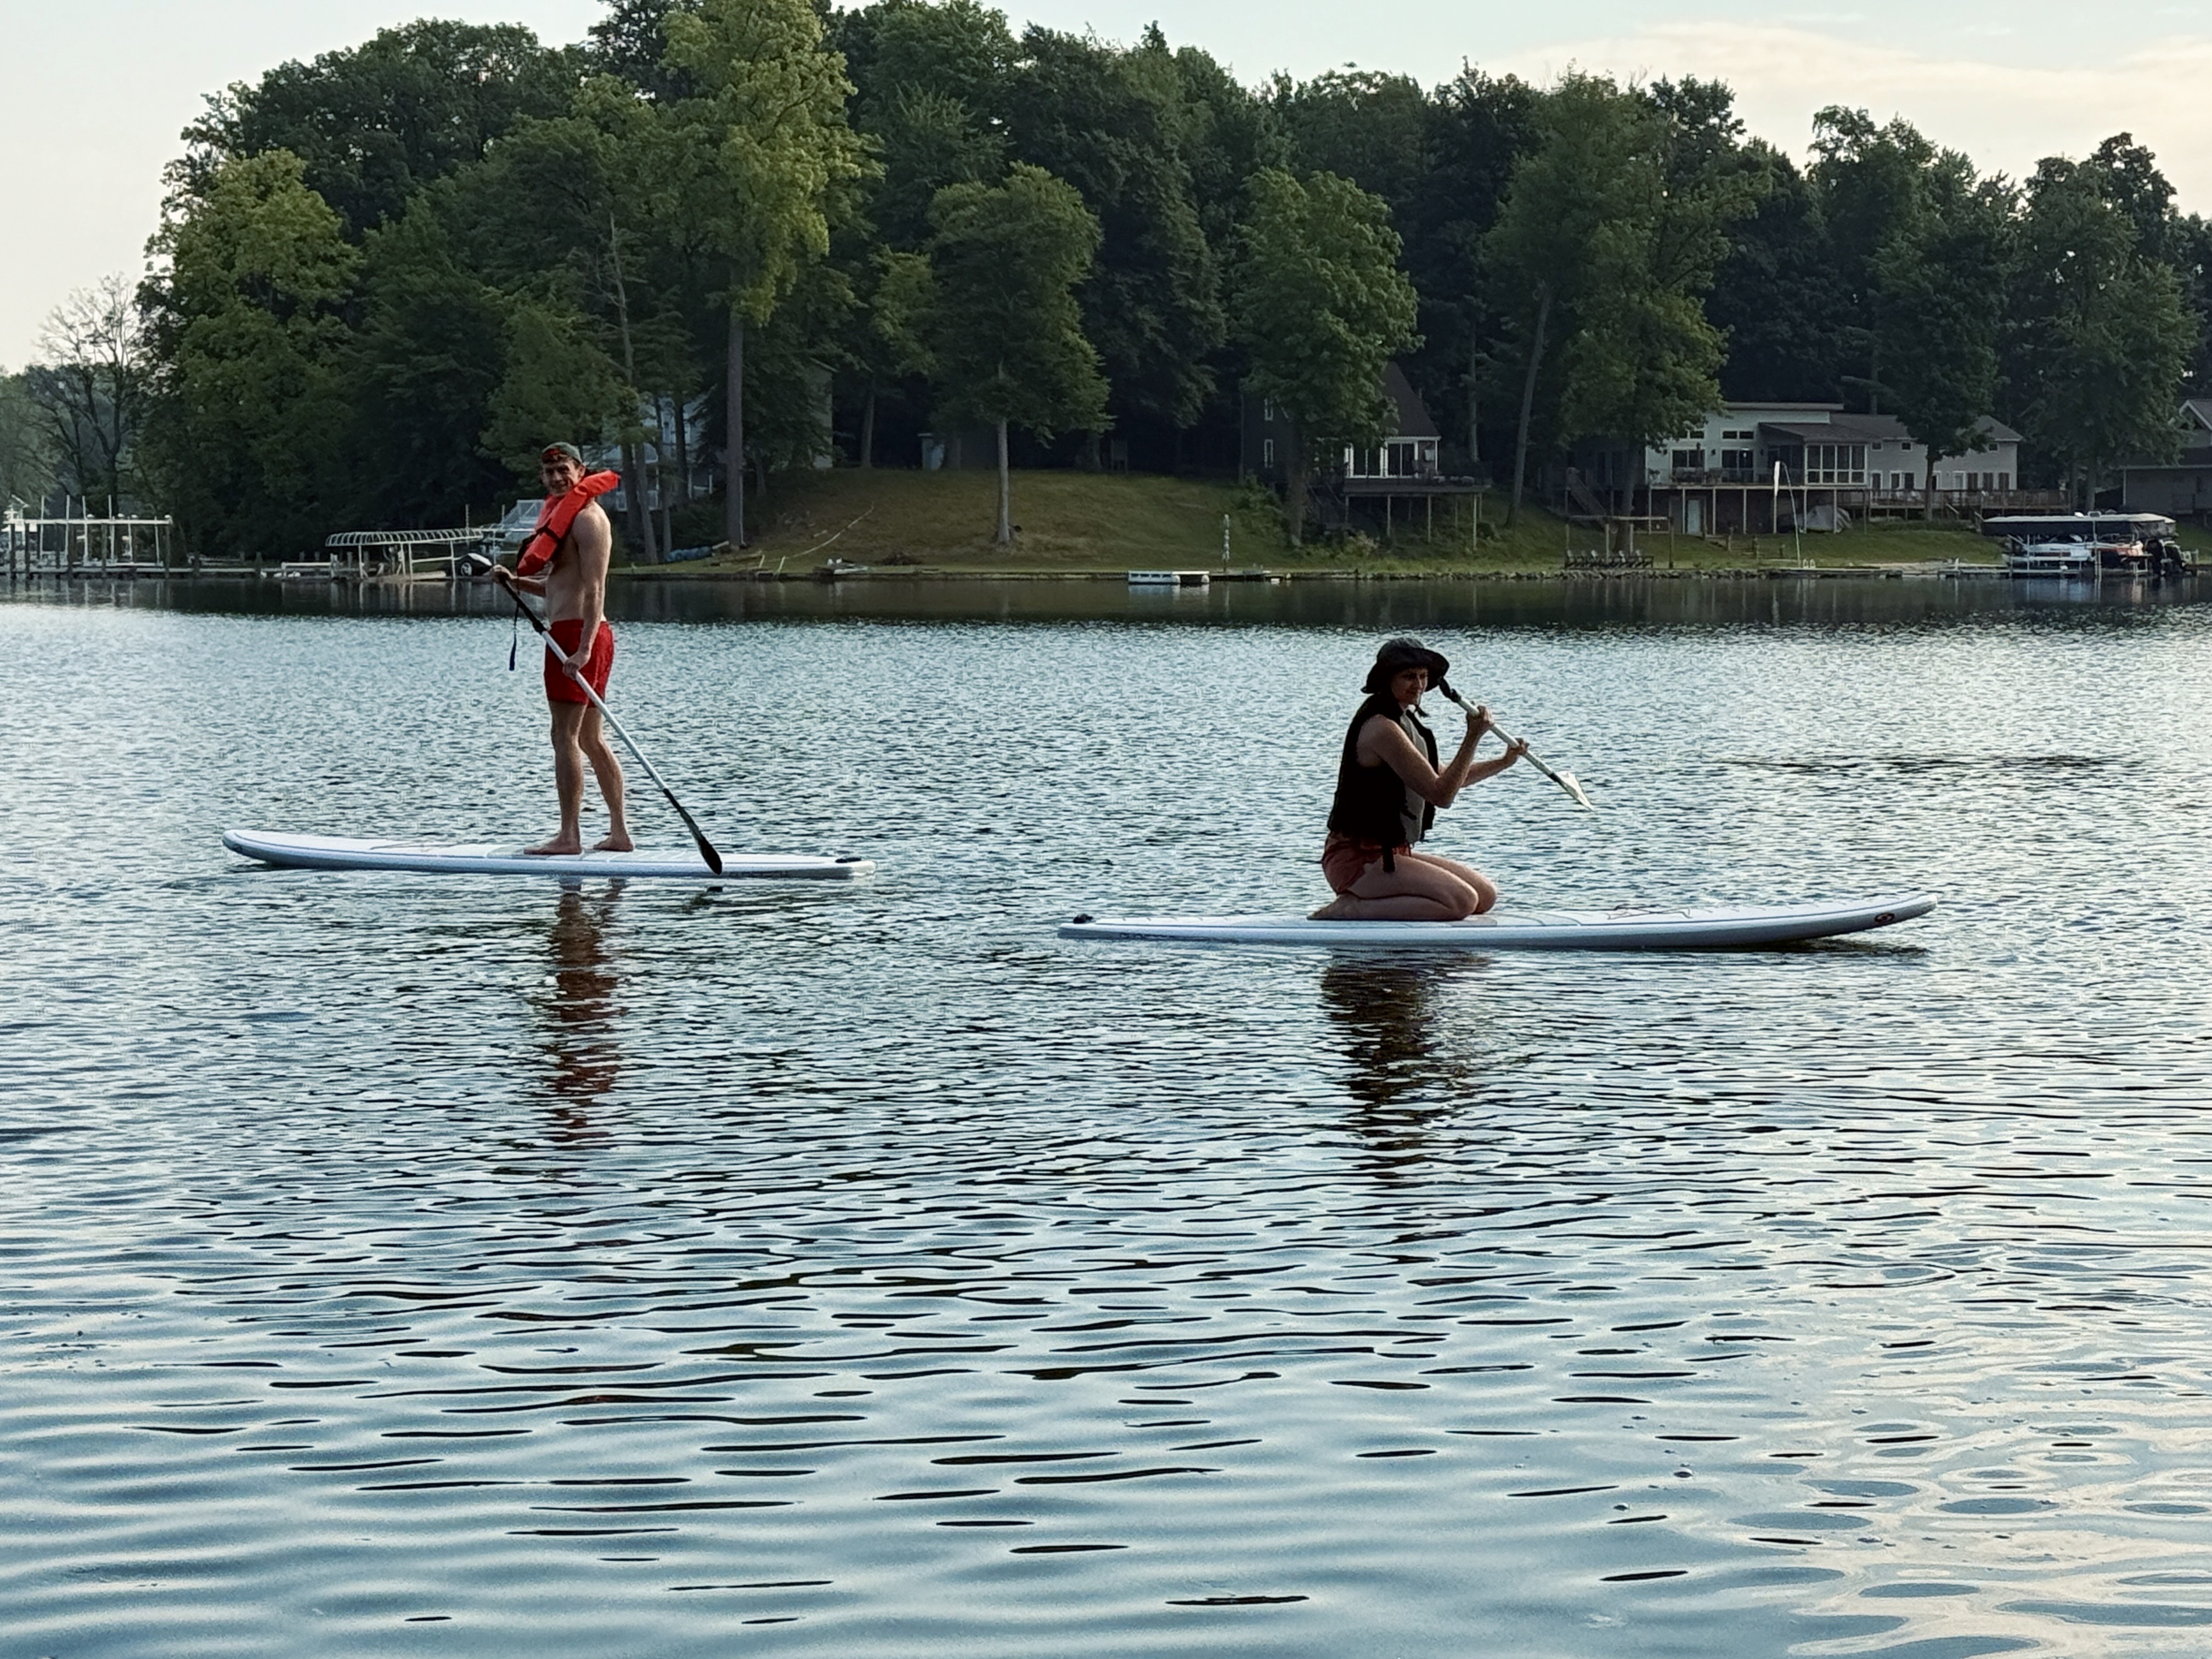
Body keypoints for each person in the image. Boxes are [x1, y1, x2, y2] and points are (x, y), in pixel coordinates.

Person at [1311, 636, 1525, 922]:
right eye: (1409, 677)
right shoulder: (1381, 728)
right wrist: (1472, 737)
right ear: (1387, 679)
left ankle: (1375, 902)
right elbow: (1441, 795)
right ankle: (1353, 908)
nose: (1419, 685)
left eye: (1423, 676)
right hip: (1357, 860)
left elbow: (1443, 777)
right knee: (1461, 902)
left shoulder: (1405, 720)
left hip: (1392, 853)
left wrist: (1503, 762)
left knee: (1485, 896)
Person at [492, 442, 631, 856]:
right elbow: (559, 588)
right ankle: (619, 835)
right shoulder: (560, 517)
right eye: (549, 472)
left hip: (578, 637)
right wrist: (514, 582)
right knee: (590, 738)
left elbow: (595, 589)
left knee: (564, 736)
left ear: (580, 471)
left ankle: (569, 837)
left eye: (563, 470)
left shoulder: (588, 520)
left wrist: (584, 649)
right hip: (574, 632)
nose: (556, 478)